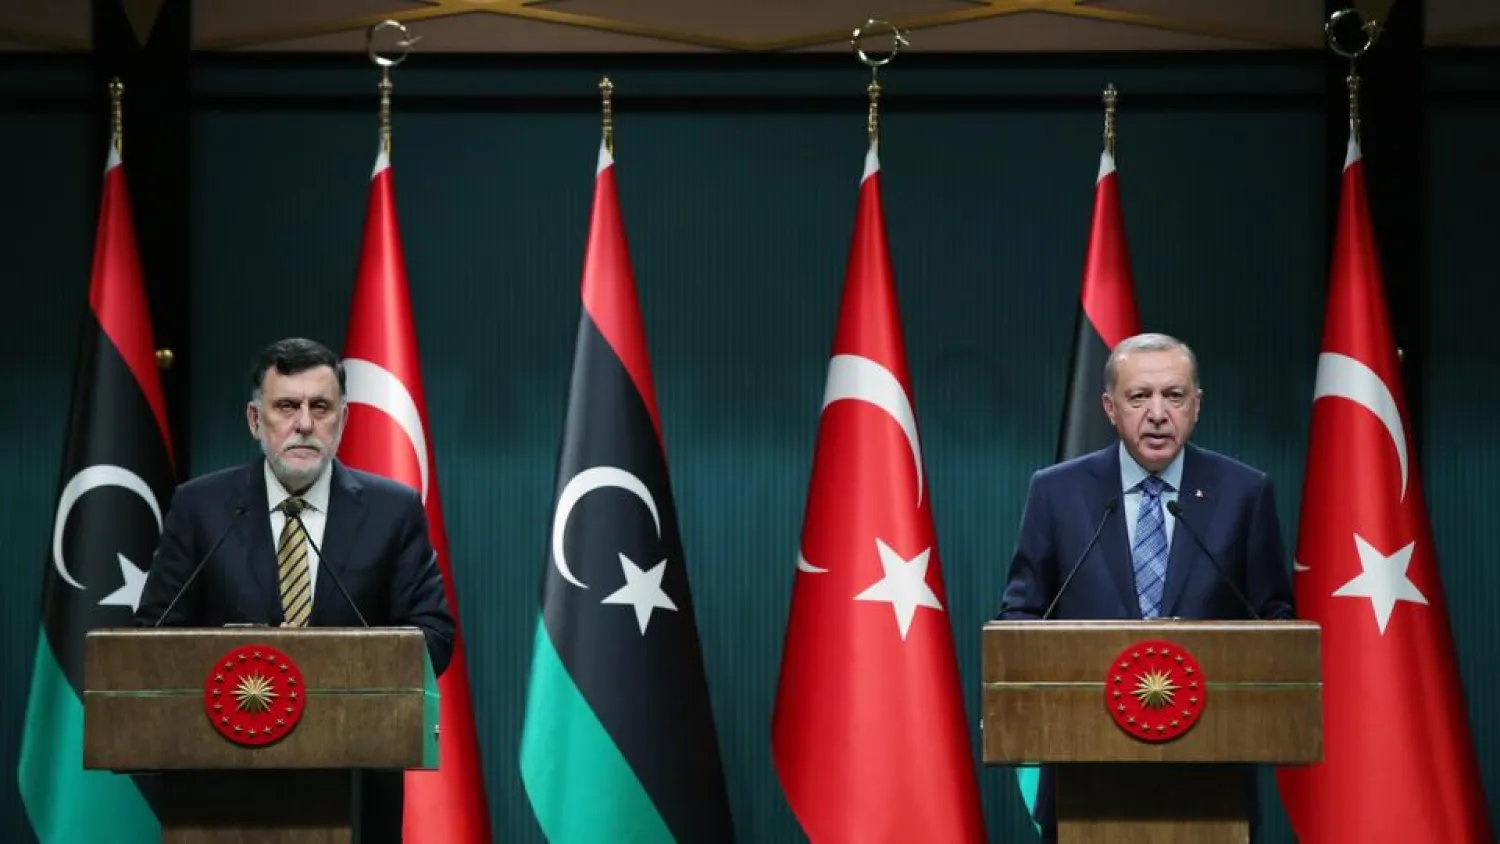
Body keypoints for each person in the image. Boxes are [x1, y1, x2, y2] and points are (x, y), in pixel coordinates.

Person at [135, 337, 455, 843]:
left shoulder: (393, 512)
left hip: (355, 788)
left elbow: (434, 635)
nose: (304, 423)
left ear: (342, 421)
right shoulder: (200, 509)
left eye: (320, 408)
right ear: (254, 420)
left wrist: (333, 665)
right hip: (221, 794)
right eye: (286, 406)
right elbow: (153, 636)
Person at [997, 332, 1294, 842]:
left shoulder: (1244, 492)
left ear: (1196, 405)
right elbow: (1020, 617)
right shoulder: (1057, 492)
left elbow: (1276, 619)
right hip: (1085, 782)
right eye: (1139, 397)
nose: (1158, 413)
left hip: (1211, 784)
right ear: (1110, 408)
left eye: (1174, 396)